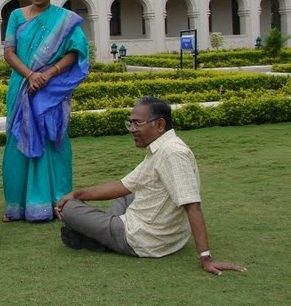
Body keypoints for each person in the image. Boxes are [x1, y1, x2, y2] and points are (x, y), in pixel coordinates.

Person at [56, 97, 246, 273]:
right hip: (158, 233)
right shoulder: (161, 148)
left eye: (137, 123)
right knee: (126, 193)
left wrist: (206, 258)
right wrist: (77, 193)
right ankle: (100, 235)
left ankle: (98, 236)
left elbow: (192, 205)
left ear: (160, 124)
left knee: (70, 209)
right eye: (130, 123)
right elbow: (123, 185)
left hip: (144, 238)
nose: (132, 129)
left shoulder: (172, 153)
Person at [2, 0, 89, 222]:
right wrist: (30, 75)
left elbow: (77, 53)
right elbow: (9, 52)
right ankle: (17, 206)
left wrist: (47, 75)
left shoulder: (64, 19)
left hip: (51, 91)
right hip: (21, 88)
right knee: (18, 143)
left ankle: (55, 203)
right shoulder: (17, 16)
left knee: (53, 142)